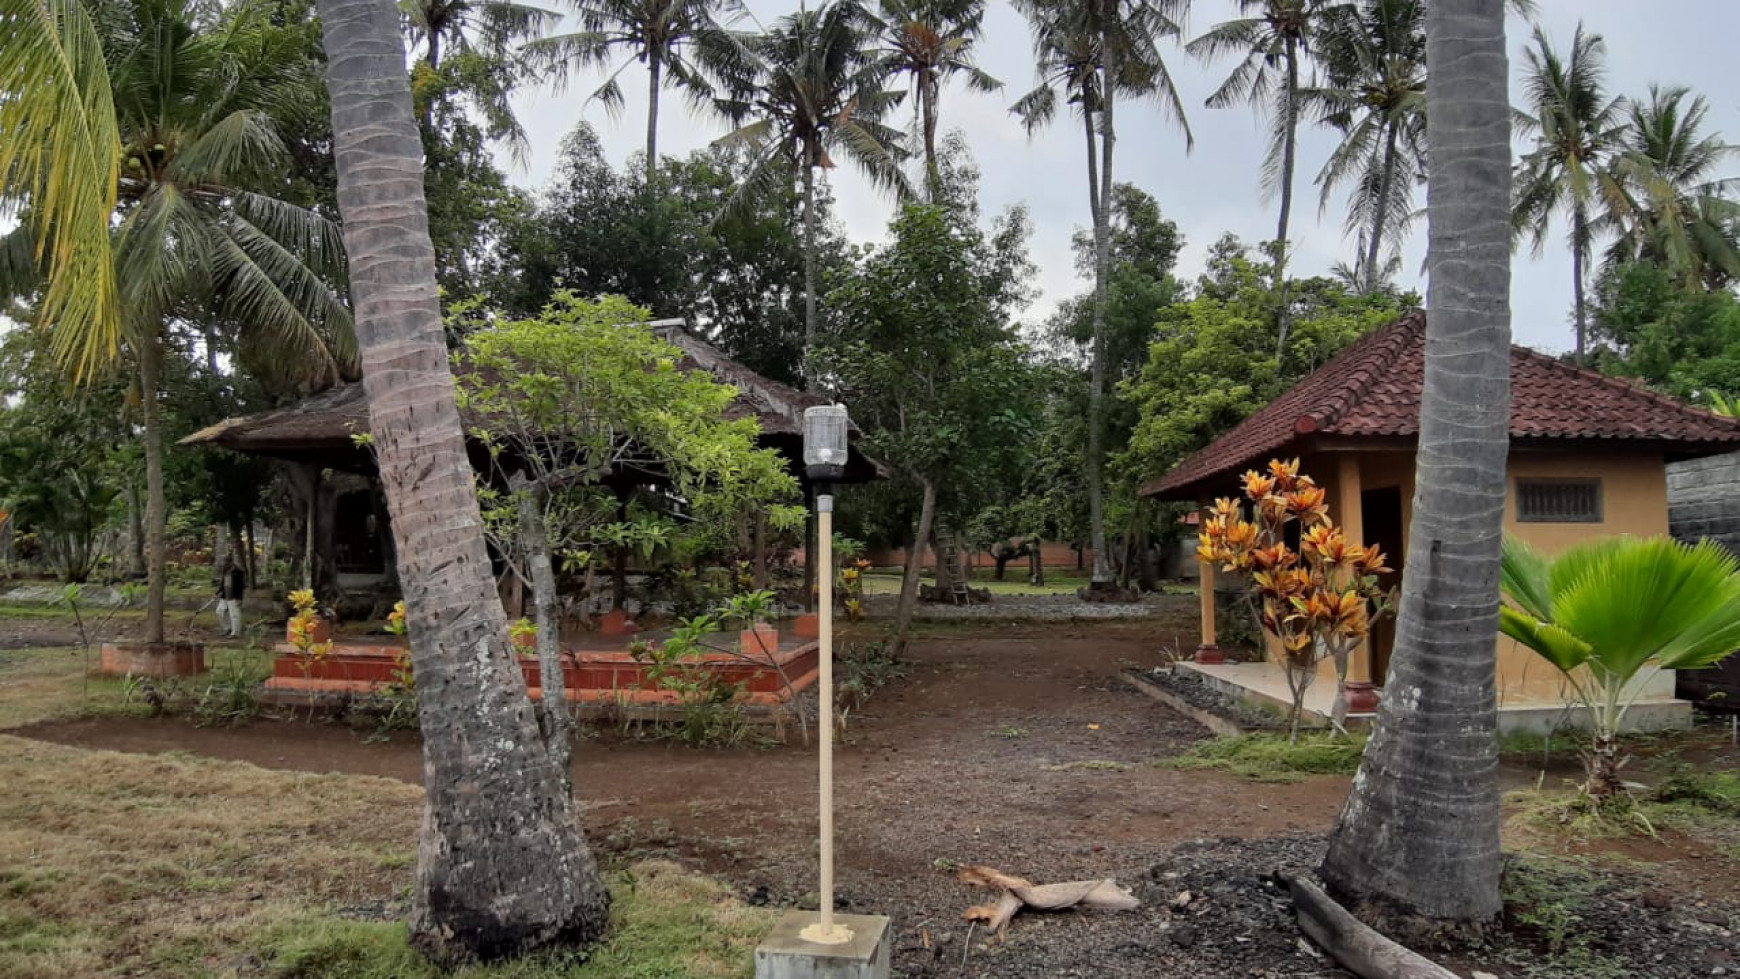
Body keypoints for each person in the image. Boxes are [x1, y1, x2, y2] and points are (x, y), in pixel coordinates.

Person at [216, 558, 246, 639]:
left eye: (226, 562)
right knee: (219, 612)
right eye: (224, 562)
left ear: (231, 562)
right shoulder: (225, 571)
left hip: (234, 596)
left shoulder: (238, 572)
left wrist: (240, 598)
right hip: (225, 595)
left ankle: (235, 632)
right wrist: (218, 592)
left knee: (234, 615)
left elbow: (241, 586)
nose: (224, 564)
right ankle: (227, 628)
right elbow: (223, 583)